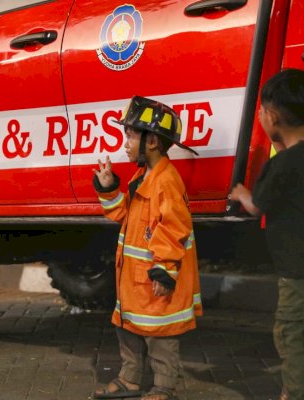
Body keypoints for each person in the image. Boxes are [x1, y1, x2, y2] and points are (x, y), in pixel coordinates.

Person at [230, 69, 304, 400]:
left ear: (272, 117)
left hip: (297, 266)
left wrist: (241, 194)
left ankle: (297, 392)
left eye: (262, 111)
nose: (260, 116)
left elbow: (258, 207)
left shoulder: (281, 165)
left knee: (287, 331)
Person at [93, 96, 202, 400]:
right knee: (127, 327)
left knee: (161, 335)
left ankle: (164, 387)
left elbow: (173, 228)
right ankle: (130, 379)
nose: (124, 142)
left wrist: (165, 271)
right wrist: (108, 186)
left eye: (130, 135)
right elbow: (124, 215)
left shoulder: (166, 182)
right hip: (134, 282)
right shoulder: (144, 177)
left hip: (154, 279)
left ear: (151, 141)